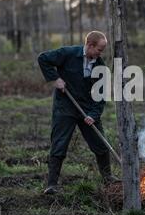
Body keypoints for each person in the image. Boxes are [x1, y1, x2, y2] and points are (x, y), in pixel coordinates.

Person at [38, 31, 118, 195]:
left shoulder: (100, 66)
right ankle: (52, 184)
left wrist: (93, 115)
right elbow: (43, 58)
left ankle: (107, 177)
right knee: (59, 144)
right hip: (65, 108)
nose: (100, 53)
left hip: (87, 110)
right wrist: (55, 78)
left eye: (102, 50)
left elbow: (101, 95)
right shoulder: (68, 53)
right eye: (99, 49)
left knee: (100, 144)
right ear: (89, 45)